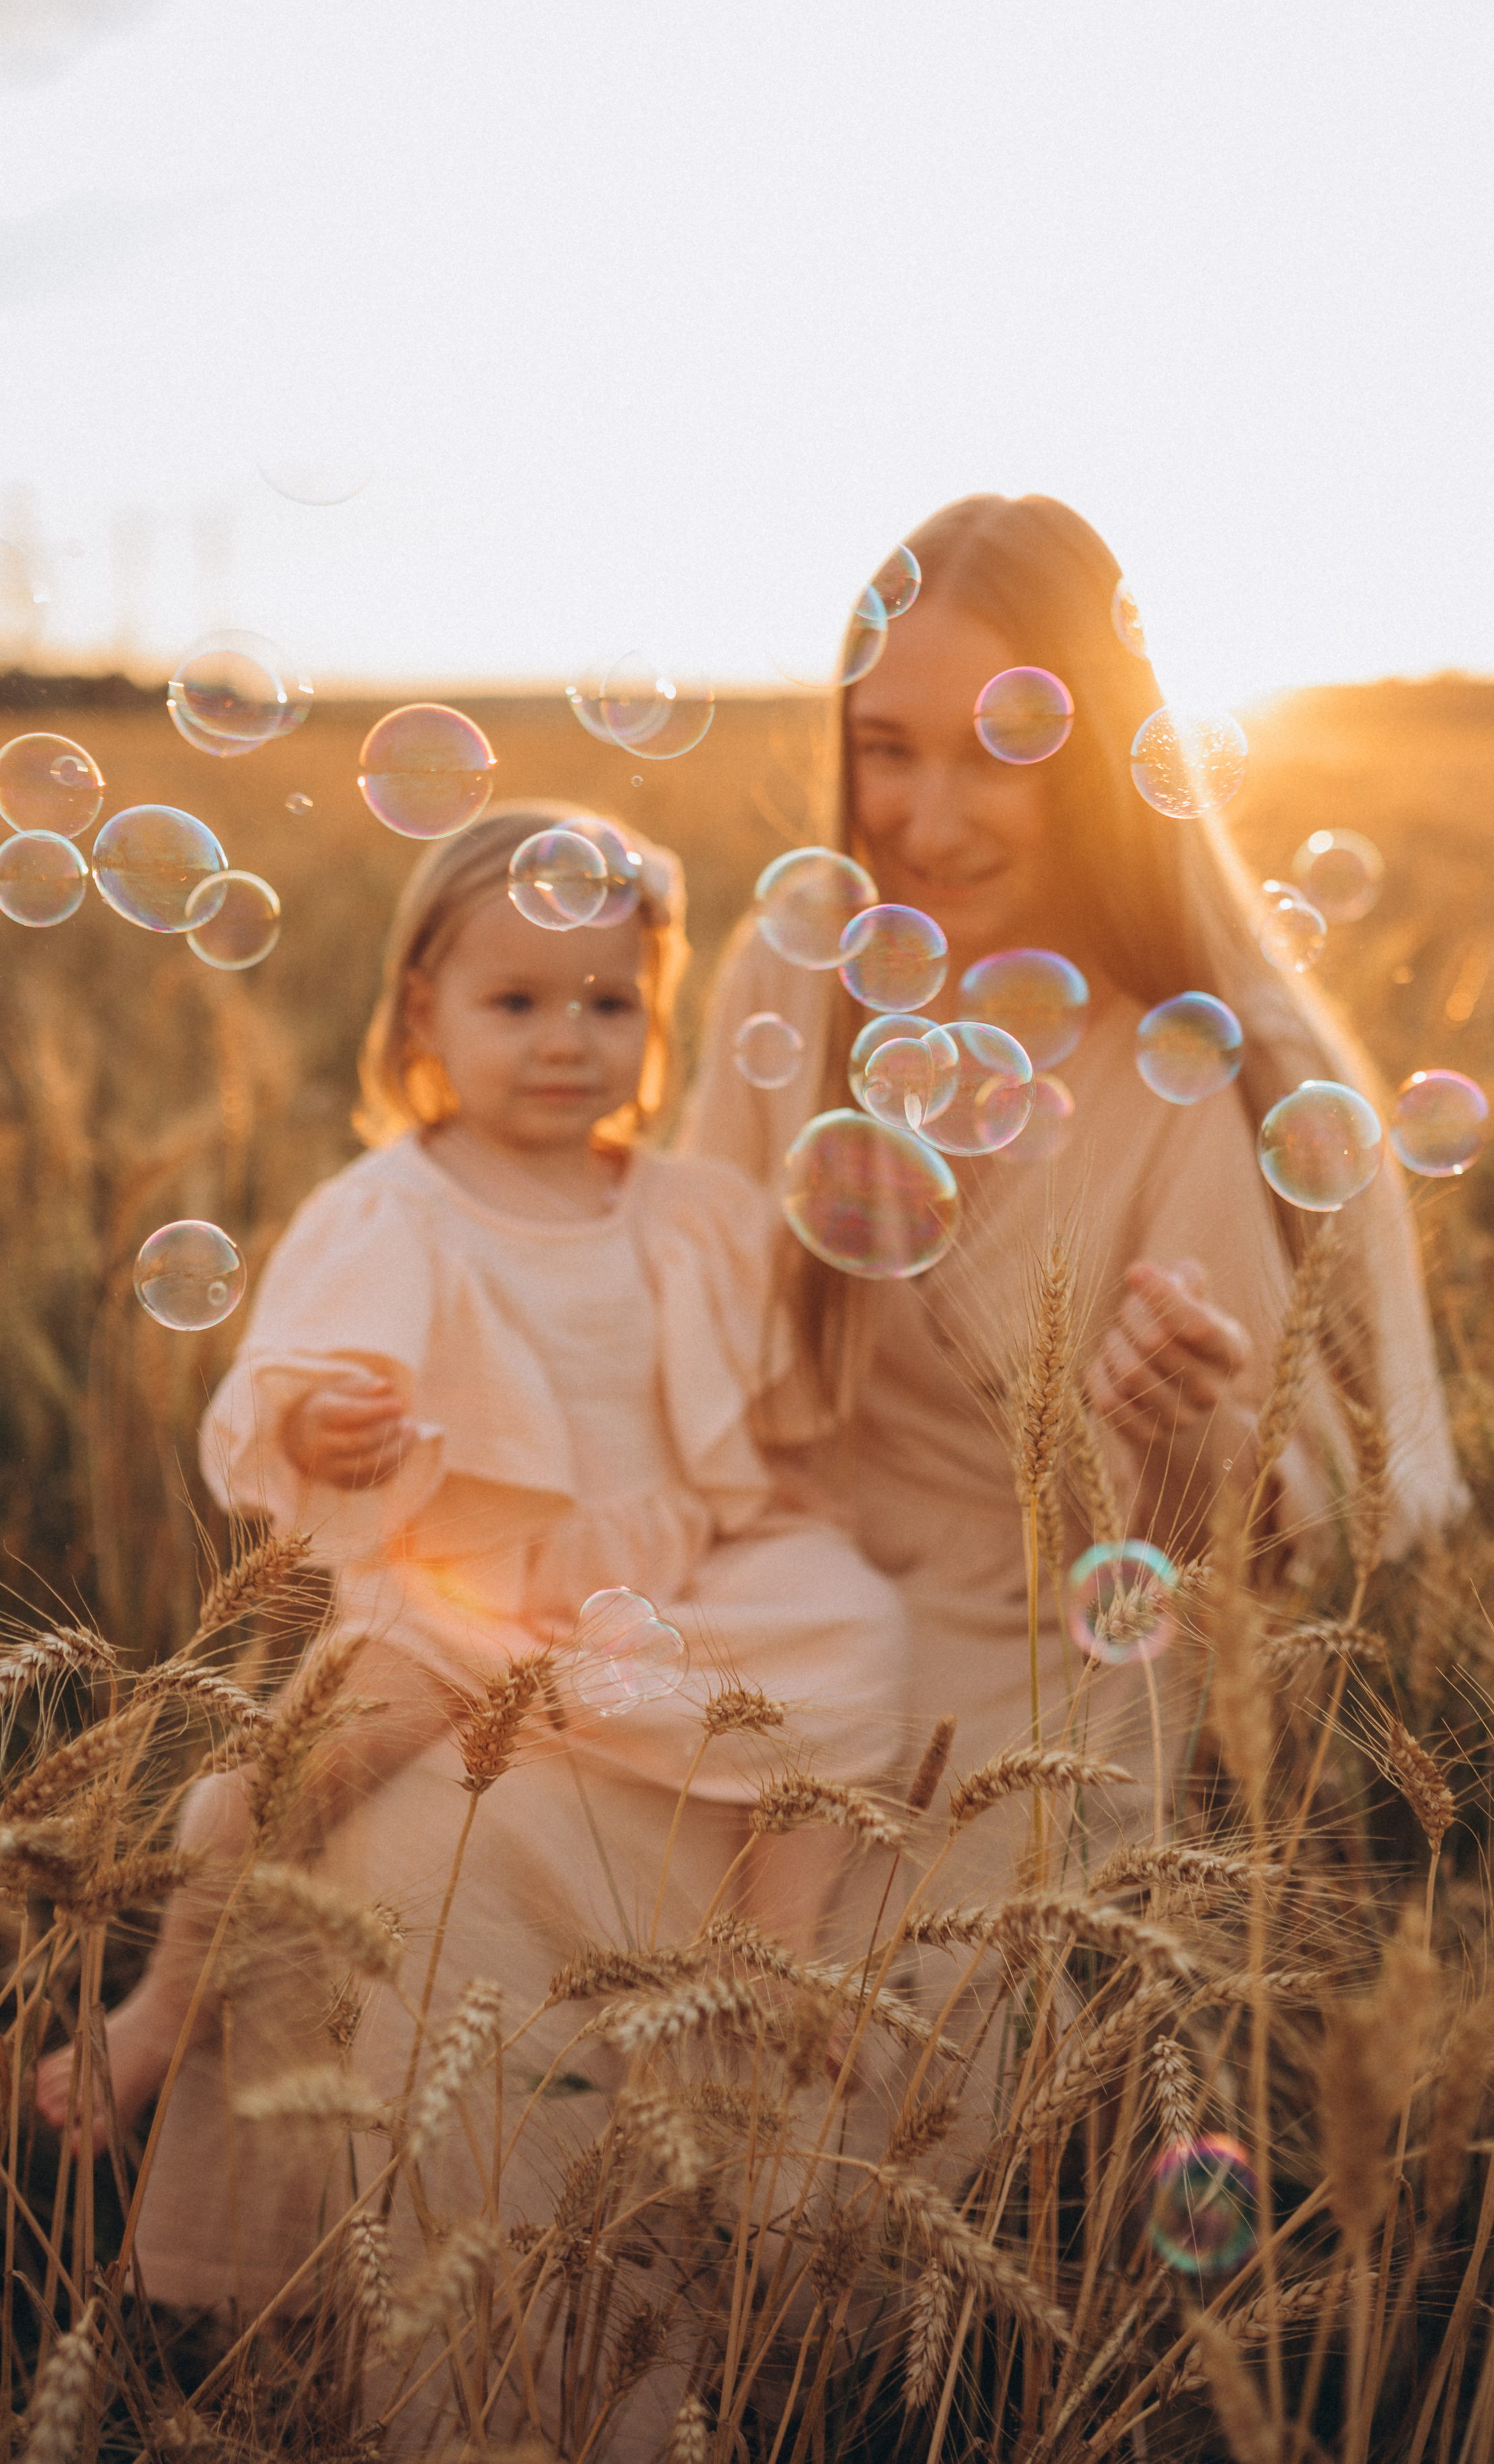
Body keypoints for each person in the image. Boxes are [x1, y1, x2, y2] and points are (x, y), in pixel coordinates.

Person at [36, 801, 908, 2357]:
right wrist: (329, 1426)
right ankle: (159, 2011)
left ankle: (779, 1938)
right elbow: (297, 1380)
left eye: (608, 1001)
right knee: (283, 1767)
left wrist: (795, 1483)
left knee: (853, 1623)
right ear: (420, 1016)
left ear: (655, 1014)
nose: (566, 1038)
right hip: (463, 1599)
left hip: (669, 1585)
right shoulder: (395, 1212)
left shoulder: (687, 1210)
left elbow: (750, 1408)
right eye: (516, 1002)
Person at [683, 491, 1466, 1885]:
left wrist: (1189, 1424)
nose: (926, 819)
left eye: (999, 750)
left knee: (859, 2040)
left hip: (1056, 1667)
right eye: (884, 749)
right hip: (779, 1607)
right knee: (444, 1864)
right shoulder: (794, 973)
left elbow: (1299, 1540)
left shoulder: (1213, 1060)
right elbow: (676, 1325)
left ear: (1098, 752)